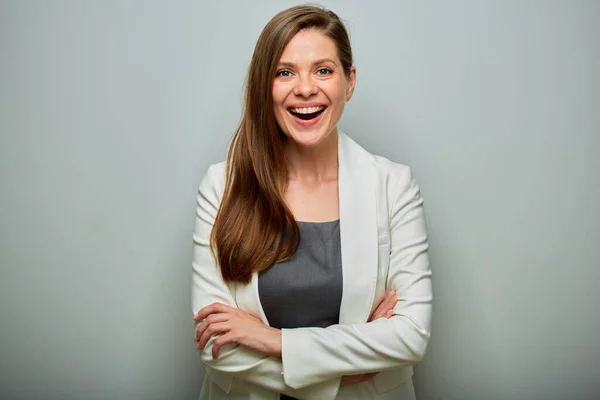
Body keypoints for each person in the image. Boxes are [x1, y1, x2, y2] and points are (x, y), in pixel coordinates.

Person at [191, 5, 432, 400]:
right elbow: (215, 346)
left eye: (323, 70)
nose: (305, 88)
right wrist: (340, 374)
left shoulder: (393, 185)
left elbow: (411, 335)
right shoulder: (222, 185)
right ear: (263, 86)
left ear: (349, 82)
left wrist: (275, 341)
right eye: (284, 72)